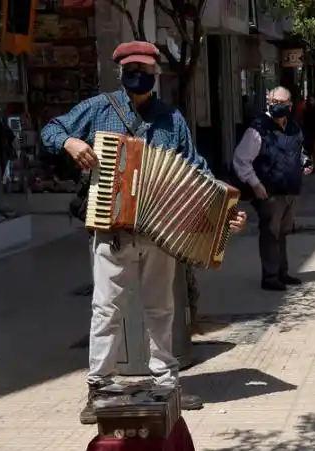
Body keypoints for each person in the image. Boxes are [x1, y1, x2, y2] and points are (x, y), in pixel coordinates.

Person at [40, 41, 246, 423]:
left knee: (161, 308)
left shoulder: (172, 119)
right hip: (111, 230)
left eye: (146, 69)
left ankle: (166, 383)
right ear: (120, 72)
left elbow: (196, 169)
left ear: (156, 75)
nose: (140, 75)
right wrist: (70, 142)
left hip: (159, 233)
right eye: (132, 68)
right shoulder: (98, 108)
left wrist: (224, 211)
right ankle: (98, 385)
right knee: (106, 309)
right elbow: (50, 130)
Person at [233, 86, 307, 292]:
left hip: (290, 189)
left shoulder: (293, 127)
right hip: (269, 191)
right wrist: (255, 184)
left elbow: (298, 152)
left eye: (281, 103)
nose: (276, 106)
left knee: (283, 233)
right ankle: (270, 276)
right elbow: (241, 160)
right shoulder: (257, 130)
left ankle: (282, 272)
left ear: (290, 105)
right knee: (270, 233)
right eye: (273, 102)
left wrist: (305, 163)